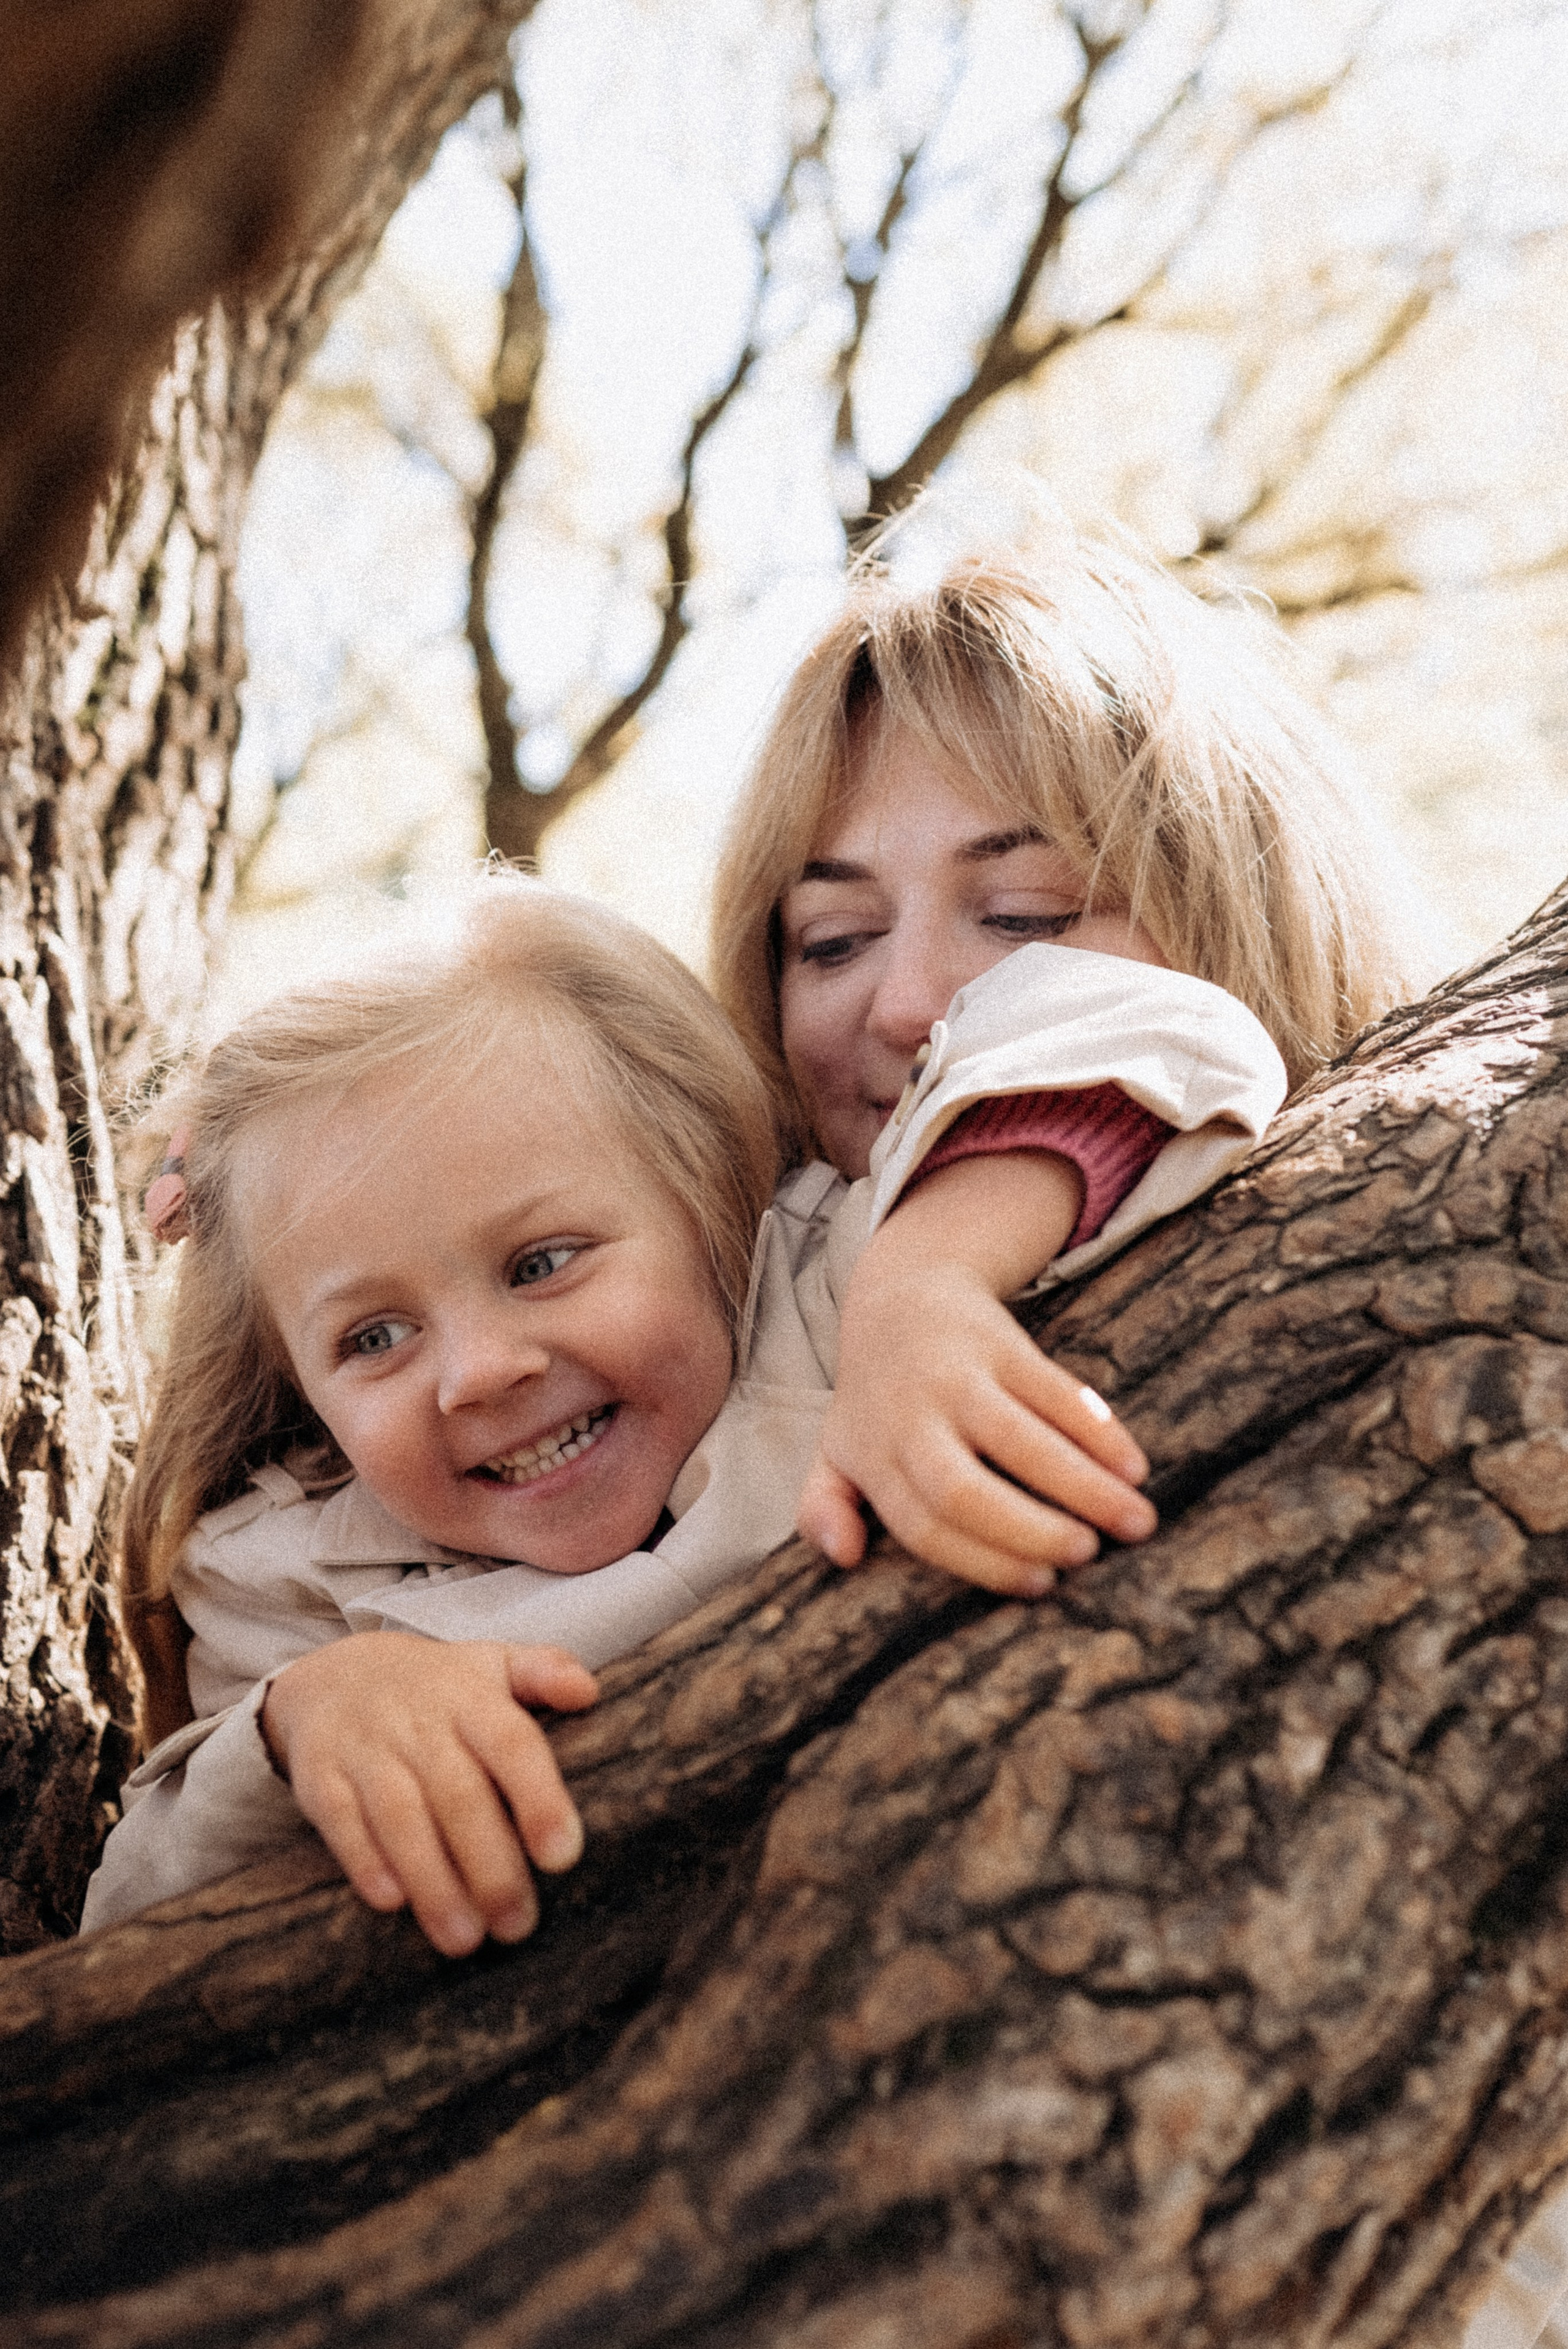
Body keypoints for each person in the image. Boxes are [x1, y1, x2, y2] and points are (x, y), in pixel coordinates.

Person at [80, 858, 1282, 1951]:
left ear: (712, 1196)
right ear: (297, 1385)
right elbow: (122, 1920)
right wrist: (310, 1721)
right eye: (374, 1337)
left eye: (543, 1261)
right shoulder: (293, 1577)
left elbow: (1150, 1024)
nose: (481, 1370)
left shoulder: (822, 1304)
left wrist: (926, 1283)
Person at [709, 530, 1434, 1589]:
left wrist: (919, 1281)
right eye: (833, 941)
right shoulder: (736, 1271)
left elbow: (1137, 1034)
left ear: (1249, 916)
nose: (907, 1004)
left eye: (1024, 917)